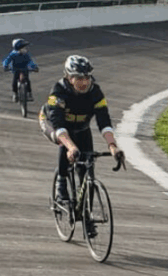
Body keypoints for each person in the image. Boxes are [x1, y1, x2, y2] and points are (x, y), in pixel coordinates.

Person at [39, 55, 125, 210]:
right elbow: (59, 126)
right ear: (69, 77)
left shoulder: (95, 92)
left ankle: (83, 202)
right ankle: (61, 181)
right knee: (66, 146)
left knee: (86, 162)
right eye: (79, 78)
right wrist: (71, 147)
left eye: (87, 77)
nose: (84, 82)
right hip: (53, 123)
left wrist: (112, 146)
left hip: (81, 126)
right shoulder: (57, 92)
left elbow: (104, 122)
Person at [2, 38, 39, 103]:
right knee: (14, 81)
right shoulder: (13, 54)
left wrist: (34, 67)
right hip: (16, 69)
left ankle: (29, 93)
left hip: (24, 69)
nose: (25, 49)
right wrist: (5, 66)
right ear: (18, 48)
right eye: (23, 48)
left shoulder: (26, 55)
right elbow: (7, 60)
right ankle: (15, 94)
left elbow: (30, 61)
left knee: (27, 80)